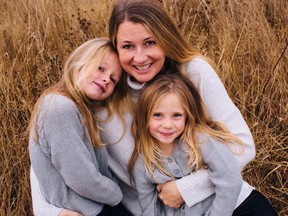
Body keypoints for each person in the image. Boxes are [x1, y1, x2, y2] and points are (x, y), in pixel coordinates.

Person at [30, 0, 257, 215]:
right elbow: (53, 147)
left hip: (226, 203)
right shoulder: (105, 92)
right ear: (117, 48)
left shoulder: (192, 72)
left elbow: (244, 145)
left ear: (165, 39)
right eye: (128, 46)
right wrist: (48, 210)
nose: (140, 58)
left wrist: (187, 189)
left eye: (150, 42)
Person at [130, 73, 278, 216]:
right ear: (144, 117)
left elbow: (230, 180)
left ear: (187, 116)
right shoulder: (143, 164)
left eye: (177, 115)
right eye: (158, 115)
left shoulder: (200, 139)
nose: (167, 124)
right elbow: (150, 210)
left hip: (241, 207)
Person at [28, 38, 129, 216]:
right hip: (87, 210)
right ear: (79, 62)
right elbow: (81, 177)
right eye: (101, 68)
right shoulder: (60, 107)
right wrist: (117, 195)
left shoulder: (79, 109)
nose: (106, 79)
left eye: (113, 79)